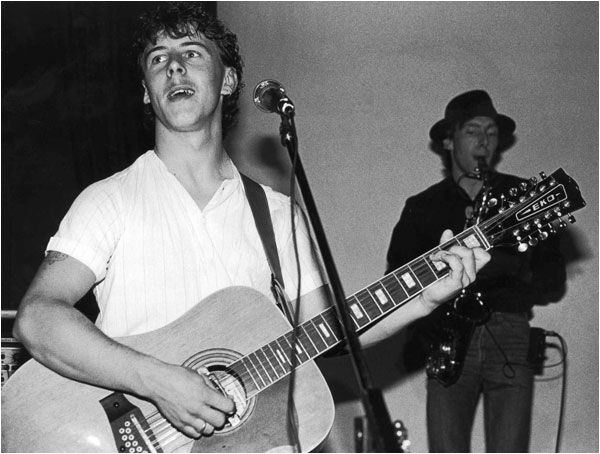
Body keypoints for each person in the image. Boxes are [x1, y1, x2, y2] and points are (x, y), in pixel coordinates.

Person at [12, 2, 489, 448]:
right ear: (146, 91)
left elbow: (328, 334)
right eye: (158, 59)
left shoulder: (277, 214)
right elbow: (38, 318)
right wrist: (158, 381)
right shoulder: (109, 200)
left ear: (227, 80)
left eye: (192, 53)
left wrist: (422, 298)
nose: (173, 66)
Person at [386, 89, 566, 452]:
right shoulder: (423, 206)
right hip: (448, 335)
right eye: (473, 131)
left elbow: (553, 279)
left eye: (491, 132)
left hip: (510, 329)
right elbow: (398, 280)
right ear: (449, 140)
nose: (485, 142)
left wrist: (512, 269)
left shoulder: (522, 196)